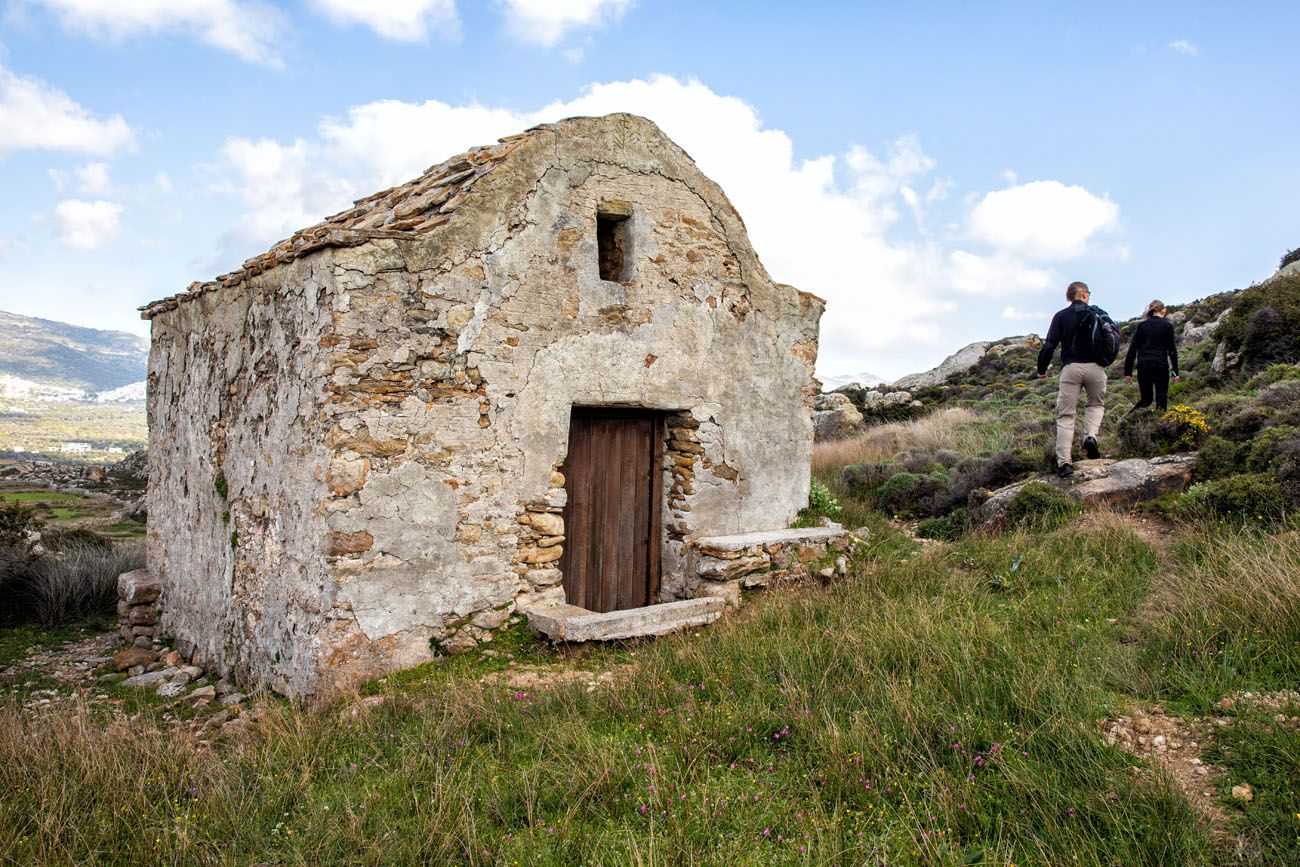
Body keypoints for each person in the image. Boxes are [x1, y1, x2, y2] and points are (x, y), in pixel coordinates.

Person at [1035, 281, 1107, 477]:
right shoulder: (1096, 313)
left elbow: (1049, 346)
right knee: (1095, 405)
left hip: (1071, 368)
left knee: (1066, 415)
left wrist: (1041, 369)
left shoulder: (1061, 316)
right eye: (1088, 293)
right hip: (1096, 368)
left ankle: (1064, 463)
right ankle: (1090, 437)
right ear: (1083, 294)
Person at [1123, 299, 1180, 411]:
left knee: (1146, 400)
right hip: (1161, 366)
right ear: (1164, 311)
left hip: (1144, 367)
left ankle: (1126, 421)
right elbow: (1172, 351)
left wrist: (1128, 372)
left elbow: (1132, 350)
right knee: (1161, 401)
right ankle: (1159, 426)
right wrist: (1175, 373)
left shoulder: (1142, 326)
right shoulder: (1168, 326)